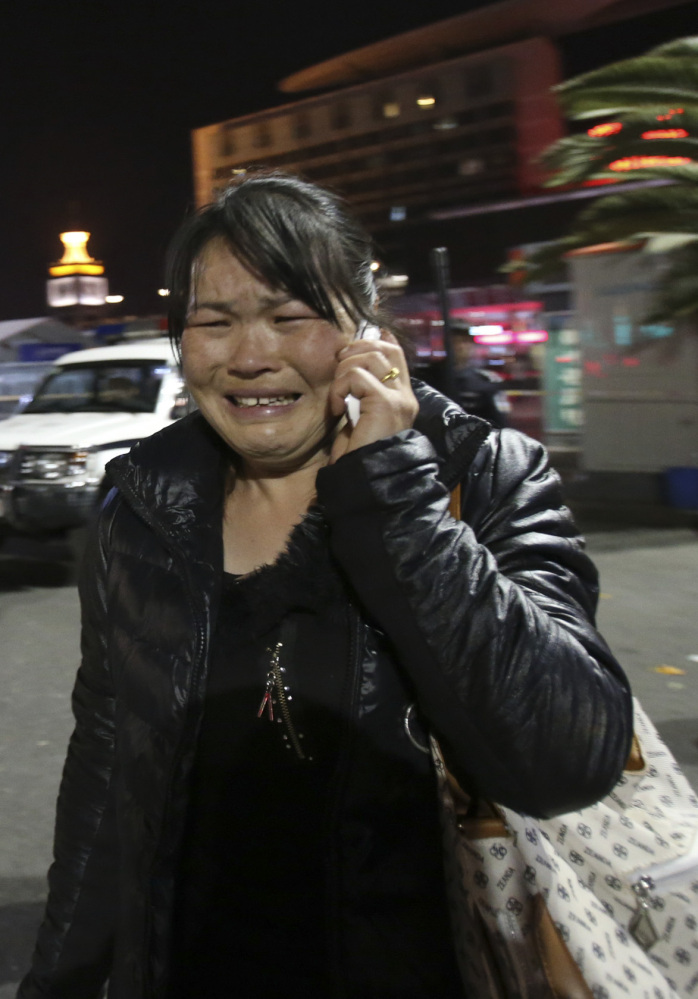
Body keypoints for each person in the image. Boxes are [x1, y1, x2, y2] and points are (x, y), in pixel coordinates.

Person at [18, 171, 633, 999]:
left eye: (290, 315)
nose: (249, 356)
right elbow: (105, 763)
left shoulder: (480, 476)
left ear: (364, 327)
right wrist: (60, 979)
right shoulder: (143, 508)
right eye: (213, 321)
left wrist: (394, 496)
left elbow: (568, 758)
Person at [450, 325, 511, 428]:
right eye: (454, 342)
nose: (459, 346)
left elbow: (500, 420)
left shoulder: (486, 380)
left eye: (465, 341)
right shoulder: (432, 377)